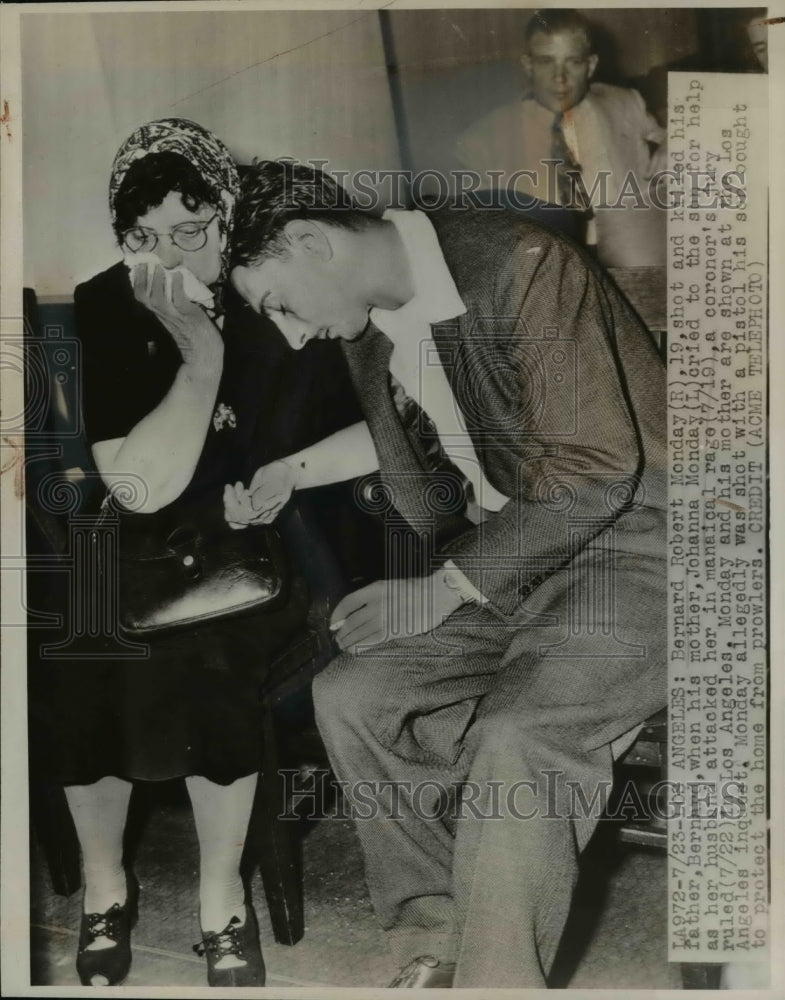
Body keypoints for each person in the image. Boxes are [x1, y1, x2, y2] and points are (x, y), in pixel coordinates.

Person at [226, 159, 668, 988]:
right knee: (352, 695)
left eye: (278, 303)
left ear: (311, 242)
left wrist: (438, 590)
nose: (288, 332)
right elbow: (448, 417)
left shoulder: (521, 262)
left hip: (644, 549)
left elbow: (595, 470)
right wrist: (294, 468)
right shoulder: (371, 325)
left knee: (518, 734)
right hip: (518, 557)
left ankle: (496, 980)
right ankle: (435, 936)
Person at [32, 120, 365, 988]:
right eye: (144, 237)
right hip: (142, 539)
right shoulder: (111, 302)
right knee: (81, 642)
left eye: (193, 229)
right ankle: (105, 884)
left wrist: (280, 476)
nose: (171, 256)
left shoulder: (278, 283)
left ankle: (222, 894)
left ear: (229, 213)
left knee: (205, 647)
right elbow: (137, 487)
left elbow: (351, 430)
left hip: (271, 538)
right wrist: (201, 360)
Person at [456, 8, 667, 266]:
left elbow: (683, 137)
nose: (560, 79)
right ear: (528, 65)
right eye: (546, 61)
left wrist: (673, 143)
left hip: (630, 262)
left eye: (573, 62)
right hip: (548, 270)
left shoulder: (624, 103)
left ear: (590, 66)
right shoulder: (482, 139)